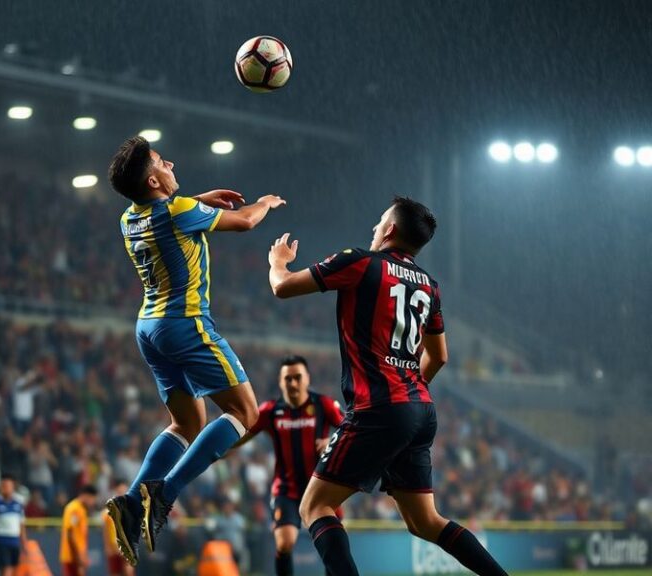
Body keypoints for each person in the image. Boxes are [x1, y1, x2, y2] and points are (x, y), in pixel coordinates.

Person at [266, 197, 509, 576]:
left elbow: (282, 288)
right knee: (425, 521)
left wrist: (277, 262)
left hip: (378, 407)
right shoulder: (429, 285)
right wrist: (406, 391)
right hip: (420, 409)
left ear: (391, 230)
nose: (374, 229)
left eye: (380, 222)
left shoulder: (361, 262)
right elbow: (439, 356)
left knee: (314, 506)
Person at [104, 135, 286, 561]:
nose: (169, 163)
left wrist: (200, 199)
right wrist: (263, 203)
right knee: (245, 413)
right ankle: (164, 496)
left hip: (149, 328)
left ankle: (133, 502)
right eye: (161, 162)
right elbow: (243, 222)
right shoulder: (179, 211)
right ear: (152, 179)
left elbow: (166, 212)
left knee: (186, 423)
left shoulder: (129, 218)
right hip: (185, 323)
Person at [234, 355, 343, 576]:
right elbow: (239, 437)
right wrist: (214, 449)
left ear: (307, 379)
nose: (293, 383)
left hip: (320, 489)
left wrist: (332, 441)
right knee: (284, 544)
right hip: (287, 489)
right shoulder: (271, 410)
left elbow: (350, 433)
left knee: (333, 547)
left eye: (297, 377)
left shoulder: (324, 405)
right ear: (280, 381)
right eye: (288, 379)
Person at [60, 484, 98, 576]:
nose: (93, 502)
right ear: (85, 496)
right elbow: (70, 534)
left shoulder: (81, 509)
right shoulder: (74, 509)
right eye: (92, 499)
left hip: (78, 557)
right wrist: (78, 558)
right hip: (72, 557)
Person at [104, 480, 135, 576]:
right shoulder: (108, 512)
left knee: (128, 570)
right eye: (120, 491)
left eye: (124, 491)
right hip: (115, 550)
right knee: (115, 572)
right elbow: (107, 533)